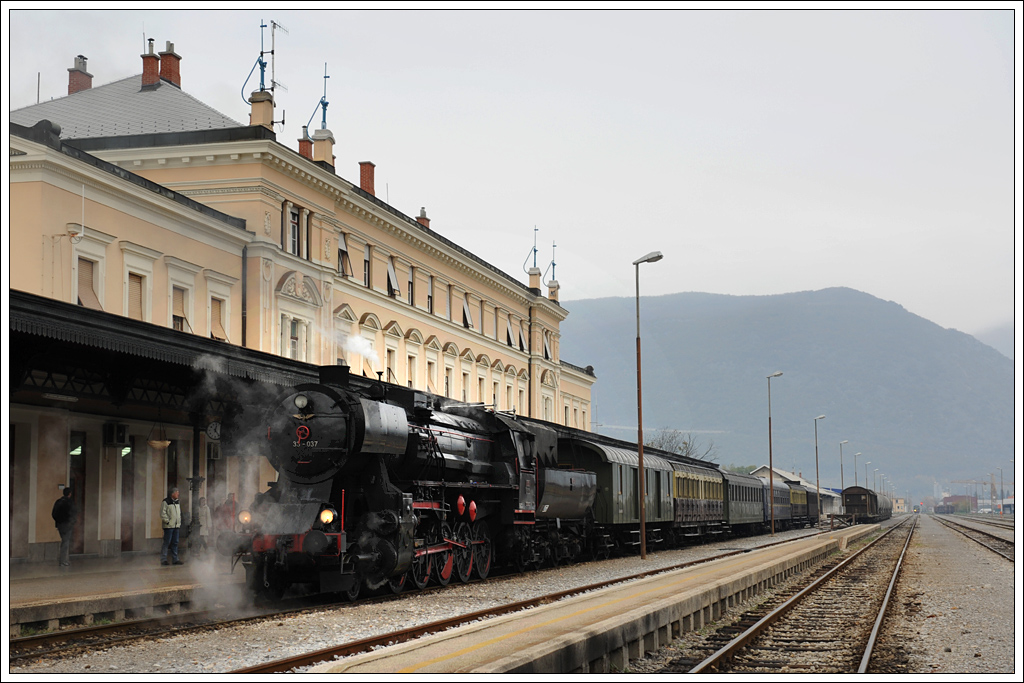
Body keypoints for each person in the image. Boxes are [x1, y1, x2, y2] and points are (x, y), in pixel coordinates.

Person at [51, 486, 76, 567]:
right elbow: (73, 513)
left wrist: (58, 521)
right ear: (70, 494)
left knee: (64, 542)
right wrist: (72, 522)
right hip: (67, 525)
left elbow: (53, 514)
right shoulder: (70, 502)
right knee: (65, 543)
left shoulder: (58, 502)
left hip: (60, 525)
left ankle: (63, 560)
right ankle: (63, 561)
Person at [160, 487, 184, 565]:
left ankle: (175, 559)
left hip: (176, 526)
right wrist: (167, 521)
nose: (178, 494)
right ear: (172, 493)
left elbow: (178, 513)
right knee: (167, 542)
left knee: (175, 542)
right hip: (169, 526)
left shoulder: (177, 502)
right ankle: (163, 559)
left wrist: (179, 522)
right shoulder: (166, 502)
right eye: (177, 492)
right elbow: (162, 513)